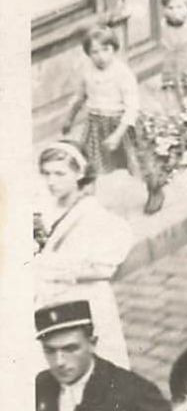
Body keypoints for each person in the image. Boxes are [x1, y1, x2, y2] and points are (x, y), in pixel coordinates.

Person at [35, 301, 187, 411]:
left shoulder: (134, 394)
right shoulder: (42, 386)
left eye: (71, 349)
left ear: (92, 343)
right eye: (50, 351)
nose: (59, 362)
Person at [31, 143, 135, 368]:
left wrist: (54, 269)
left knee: (93, 365)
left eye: (60, 174)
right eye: (47, 173)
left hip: (85, 301)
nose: (51, 181)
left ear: (79, 173)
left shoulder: (95, 215)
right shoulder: (43, 209)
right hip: (47, 299)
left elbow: (103, 269)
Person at [60, 24, 153, 209]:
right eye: (95, 52)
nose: (101, 56)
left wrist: (118, 134)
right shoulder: (87, 72)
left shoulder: (122, 73)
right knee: (88, 164)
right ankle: (85, 201)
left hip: (123, 125)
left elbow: (132, 107)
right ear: (88, 53)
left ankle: (154, 189)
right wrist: (69, 118)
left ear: (114, 49)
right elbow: (80, 96)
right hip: (96, 124)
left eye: (106, 49)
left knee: (138, 161)